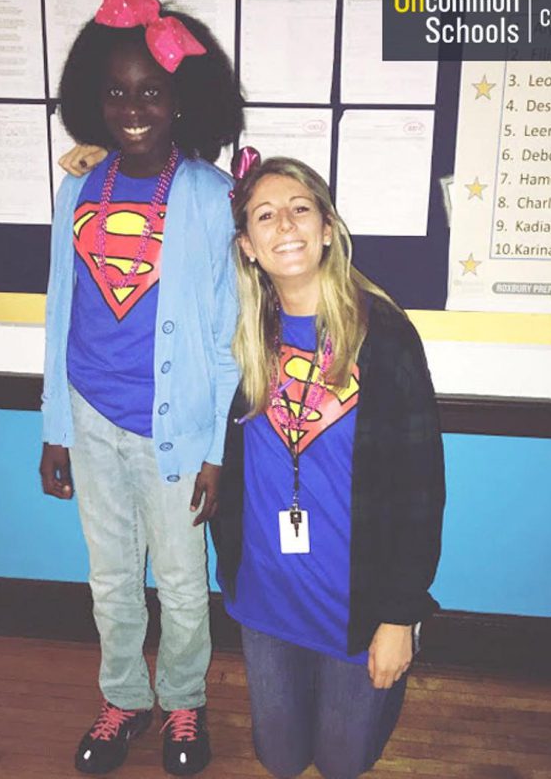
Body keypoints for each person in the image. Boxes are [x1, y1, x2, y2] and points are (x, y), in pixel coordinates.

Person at [39, 0, 243, 775]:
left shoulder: (210, 197)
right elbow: (61, 313)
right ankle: (124, 697)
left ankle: (184, 703)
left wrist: (214, 447)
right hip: (89, 422)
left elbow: (229, 339)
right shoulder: (76, 189)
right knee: (111, 579)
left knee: (185, 585)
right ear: (95, 98)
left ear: (182, 100)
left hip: (176, 433)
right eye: (117, 91)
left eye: (151, 91)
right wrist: (55, 426)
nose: (132, 106)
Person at [211, 151, 445, 779]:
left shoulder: (384, 335)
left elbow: (421, 490)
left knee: (344, 762)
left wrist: (400, 614)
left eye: (299, 209)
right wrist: (105, 160)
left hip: (358, 601)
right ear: (248, 245)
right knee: (280, 760)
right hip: (265, 596)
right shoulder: (237, 331)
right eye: (265, 215)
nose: (284, 225)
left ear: (326, 229)